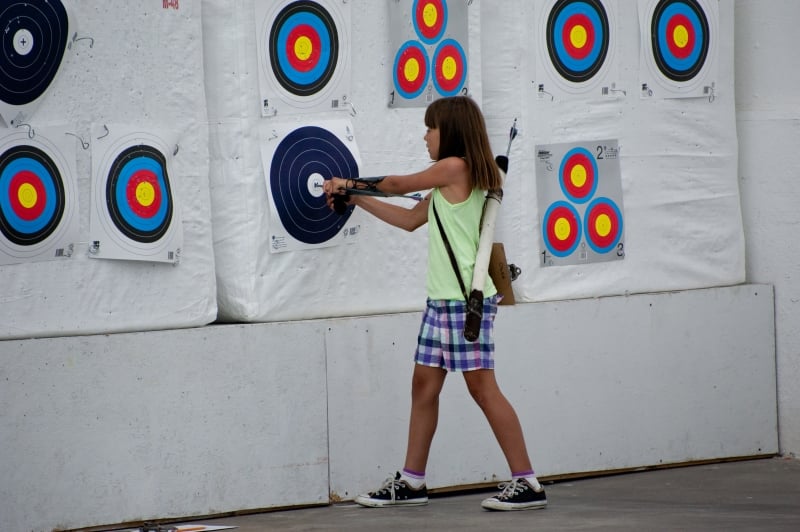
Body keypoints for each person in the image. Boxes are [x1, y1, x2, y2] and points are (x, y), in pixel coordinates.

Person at [323, 96, 546, 512]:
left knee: (483, 388)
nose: (425, 136)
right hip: (441, 303)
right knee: (424, 386)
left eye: (431, 127)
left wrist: (347, 183)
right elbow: (409, 219)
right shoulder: (450, 182)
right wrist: (356, 200)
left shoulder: (455, 167)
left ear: (452, 132)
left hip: (463, 305)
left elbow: (397, 185)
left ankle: (527, 481)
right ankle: (412, 481)